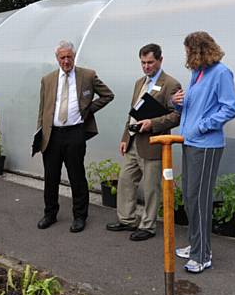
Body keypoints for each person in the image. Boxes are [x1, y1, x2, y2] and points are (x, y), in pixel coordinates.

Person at [172, 31, 235, 273]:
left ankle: (203, 255)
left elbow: (230, 108)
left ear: (198, 50)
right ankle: (195, 244)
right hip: (190, 142)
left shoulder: (221, 73)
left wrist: (202, 126)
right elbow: (194, 105)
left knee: (199, 199)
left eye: (188, 50)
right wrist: (176, 102)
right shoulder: (197, 73)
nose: (186, 55)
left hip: (207, 145)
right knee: (190, 197)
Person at [37, 40, 114, 232]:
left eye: (69, 57)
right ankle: (50, 213)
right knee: (51, 177)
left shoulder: (87, 75)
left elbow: (107, 95)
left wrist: (88, 110)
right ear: (57, 58)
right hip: (52, 135)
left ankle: (80, 216)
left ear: (74, 56)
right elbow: (42, 109)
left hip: (75, 133)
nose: (65, 61)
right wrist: (40, 132)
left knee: (77, 177)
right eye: (62, 57)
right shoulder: (47, 79)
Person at [106, 44, 182, 241]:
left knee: (151, 188)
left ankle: (148, 226)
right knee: (125, 180)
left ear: (160, 60)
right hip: (134, 143)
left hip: (153, 145)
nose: (146, 66)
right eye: (143, 63)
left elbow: (177, 116)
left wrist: (153, 123)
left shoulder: (171, 85)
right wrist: (125, 138)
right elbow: (133, 112)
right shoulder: (140, 82)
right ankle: (127, 219)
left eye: (150, 62)